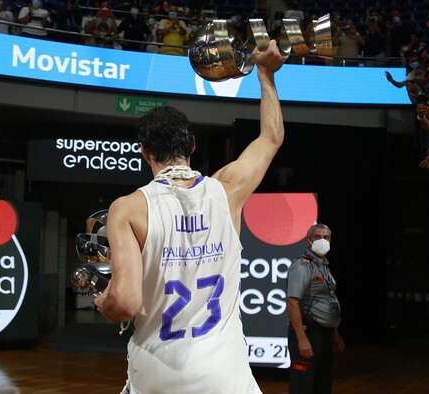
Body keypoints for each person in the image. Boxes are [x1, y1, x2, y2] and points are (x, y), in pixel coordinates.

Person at [93, 40, 285, 393]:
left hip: (158, 371)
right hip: (223, 373)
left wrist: (102, 301)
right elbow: (272, 137)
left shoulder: (129, 208)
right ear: (192, 145)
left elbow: (124, 303)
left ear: (144, 152)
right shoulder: (227, 189)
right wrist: (265, 74)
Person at [287, 223, 345, 394]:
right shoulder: (302, 266)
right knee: (303, 385)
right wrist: (302, 338)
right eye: (317, 237)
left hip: (324, 332)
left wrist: (334, 331)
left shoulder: (324, 266)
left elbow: (327, 300)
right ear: (308, 242)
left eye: (326, 237)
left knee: (322, 382)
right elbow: (292, 302)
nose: (322, 240)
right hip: (309, 331)